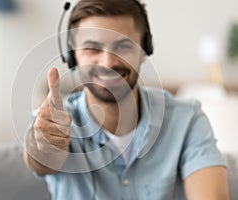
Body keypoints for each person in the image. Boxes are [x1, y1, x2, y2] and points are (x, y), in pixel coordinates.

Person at [23, 0, 229, 199]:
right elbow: (41, 158)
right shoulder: (53, 121)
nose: (108, 62)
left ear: (144, 50)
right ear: (72, 56)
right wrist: (45, 144)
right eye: (92, 48)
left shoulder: (187, 120)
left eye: (123, 47)